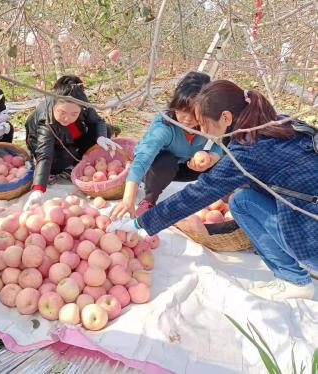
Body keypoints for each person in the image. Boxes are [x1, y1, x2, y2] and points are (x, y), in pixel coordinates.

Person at [109, 80, 318, 302]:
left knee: (241, 202)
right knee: (242, 199)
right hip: (308, 209)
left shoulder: (249, 149)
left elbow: (198, 194)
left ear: (226, 118)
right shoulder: (274, 122)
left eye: (204, 123)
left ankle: (296, 279)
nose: (203, 130)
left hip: (311, 229)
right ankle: (295, 275)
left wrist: (141, 223)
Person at [112, 72, 222, 219]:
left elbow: (221, 143)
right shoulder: (164, 127)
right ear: (175, 104)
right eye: (183, 110)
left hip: (186, 166)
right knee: (166, 161)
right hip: (155, 171)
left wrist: (211, 157)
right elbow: (142, 160)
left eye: (195, 113)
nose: (188, 119)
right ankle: (149, 200)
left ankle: (216, 198)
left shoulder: (208, 122)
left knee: (227, 159)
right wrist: (128, 200)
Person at [23, 75, 121, 209]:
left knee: (104, 133)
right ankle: (75, 157)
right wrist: (38, 189)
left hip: (72, 135)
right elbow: (45, 155)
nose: (67, 118)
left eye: (74, 114)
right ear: (54, 104)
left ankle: (103, 136)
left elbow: (97, 121)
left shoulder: (83, 104)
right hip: (48, 144)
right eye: (62, 112)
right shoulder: (46, 120)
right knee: (59, 162)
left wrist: (101, 137)